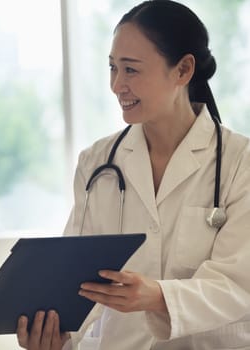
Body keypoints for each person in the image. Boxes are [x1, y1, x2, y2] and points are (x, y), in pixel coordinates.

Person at [16, 1, 250, 349]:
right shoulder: (97, 163)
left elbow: (238, 284)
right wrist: (57, 336)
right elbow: (76, 283)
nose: (116, 85)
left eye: (131, 70)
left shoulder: (239, 163)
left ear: (183, 70)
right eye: (112, 68)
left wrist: (158, 296)